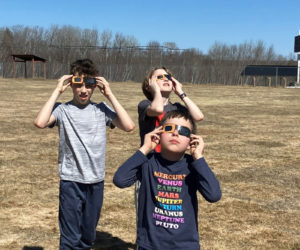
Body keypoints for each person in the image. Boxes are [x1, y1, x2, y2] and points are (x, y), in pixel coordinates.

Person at [34, 59, 135, 249]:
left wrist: (110, 94)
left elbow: (129, 126)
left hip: (95, 181)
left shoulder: (101, 109)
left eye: (89, 84)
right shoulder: (62, 109)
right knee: (70, 238)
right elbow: (40, 122)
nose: (83, 90)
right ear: (71, 84)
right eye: (78, 83)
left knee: (88, 236)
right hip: (71, 181)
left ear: (95, 86)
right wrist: (57, 90)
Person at [113, 110, 221, 250]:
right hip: (150, 243)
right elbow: (120, 180)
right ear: (158, 133)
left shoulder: (192, 166)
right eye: (169, 128)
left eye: (184, 131)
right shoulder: (148, 162)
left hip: (185, 244)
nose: (175, 133)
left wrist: (198, 157)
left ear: (191, 140)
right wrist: (145, 149)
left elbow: (213, 195)